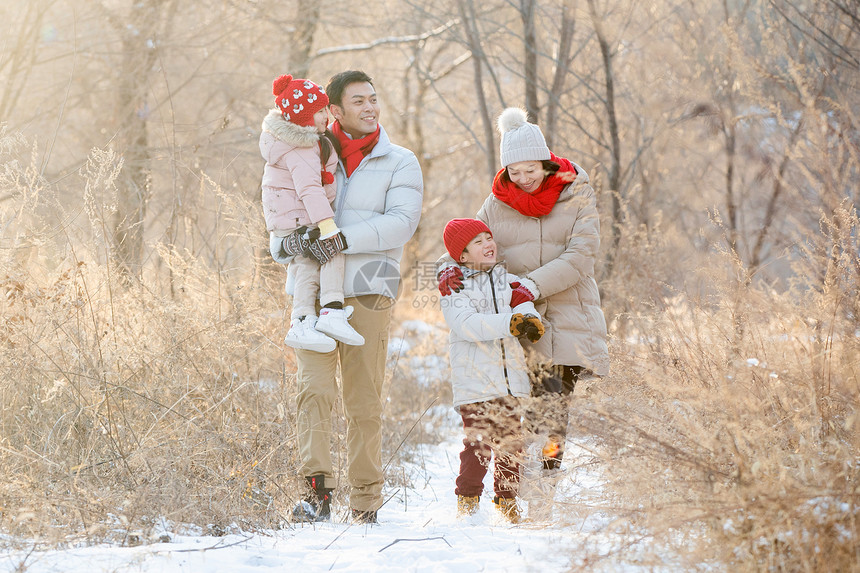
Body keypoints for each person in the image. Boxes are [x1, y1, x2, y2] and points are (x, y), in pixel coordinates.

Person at [271, 70, 423, 524]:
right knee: (312, 391)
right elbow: (280, 208)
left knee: (363, 398)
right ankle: (317, 493)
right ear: (334, 110)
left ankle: (365, 501)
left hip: (370, 289)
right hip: (312, 293)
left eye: (374, 99)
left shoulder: (400, 161)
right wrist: (284, 245)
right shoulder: (308, 151)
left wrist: (340, 239)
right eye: (359, 101)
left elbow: (402, 222)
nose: (370, 107)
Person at [438, 107, 609, 476]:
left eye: (530, 169)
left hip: (568, 314)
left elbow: (582, 255)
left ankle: (548, 482)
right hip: (520, 321)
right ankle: (521, 484)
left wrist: (531, 285)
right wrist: (447, 268)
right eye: (514, 172)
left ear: (546, 162)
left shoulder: (576, 192)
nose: (523, 178)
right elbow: (465, 241)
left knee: (554, 411)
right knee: (523, 411)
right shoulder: (497, 201)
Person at [440, 218, 545, 524]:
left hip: (508, 380)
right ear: (462, 255)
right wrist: (508, 324)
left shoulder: (506, 280)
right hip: (475, 380)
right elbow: (466, 324)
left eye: (489, 237)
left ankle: (507, 502)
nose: (488, 244)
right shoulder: (454, 286)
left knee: (512, 444)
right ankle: (468, 500)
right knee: (479, 444)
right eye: (478, 241)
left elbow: (523, 302)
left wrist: (528, 318)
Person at [260, 74, 365, 353]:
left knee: (307, 262)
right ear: (303, 118)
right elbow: (309, 188)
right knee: (332, 247)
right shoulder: (302, 146)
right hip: (298, 217)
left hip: (286, 219)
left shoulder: (287, 140)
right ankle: (331, 310)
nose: (325, 116)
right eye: (318, 112)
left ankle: (303, 320)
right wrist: (326, 223)